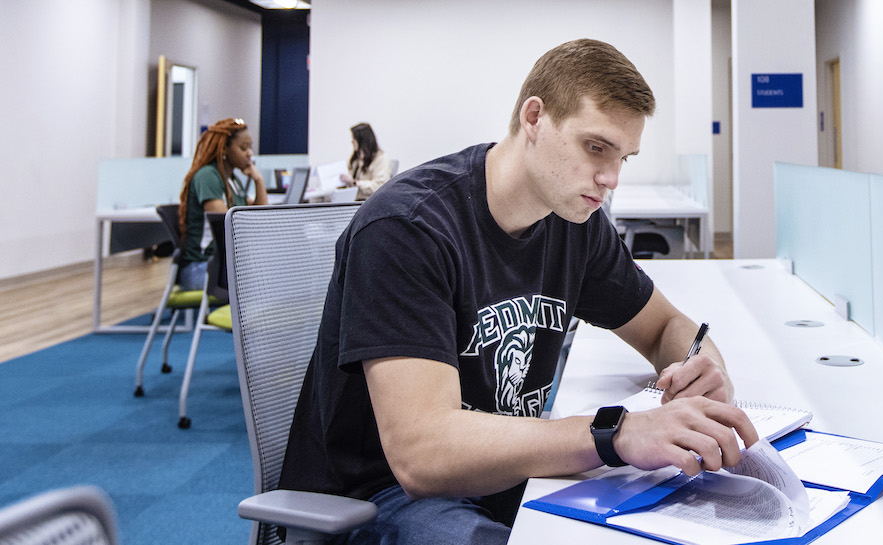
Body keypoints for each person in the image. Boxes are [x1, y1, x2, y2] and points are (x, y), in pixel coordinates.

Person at [278, 39, 755, 545]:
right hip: (383, 497)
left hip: (498, 475)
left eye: (624, 158)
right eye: (596, 147)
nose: (610, 178)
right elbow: (423, 454)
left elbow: (663, 326)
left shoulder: (574, 220)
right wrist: (616, 432)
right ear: (534, 118)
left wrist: (705, 366)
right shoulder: (408, 229)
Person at [175, 117, 268, 291]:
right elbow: (225, 228)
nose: (250, 153)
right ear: (224, 148)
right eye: (243, 148)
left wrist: (258, 180)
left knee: (271, 274)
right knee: (266, 280)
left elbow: (260, 215)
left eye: (250, 147)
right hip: (201, 269)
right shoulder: (208, 176)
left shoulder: (232, 180)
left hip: (221, 267)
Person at [340, 122, 393, 200]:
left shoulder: (381, 158)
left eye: (354, 138)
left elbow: (379, 185)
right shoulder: (356, 159)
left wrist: (355, 183)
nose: (352, 141)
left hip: (369, 202)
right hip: (353, 200)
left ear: (362, 140)